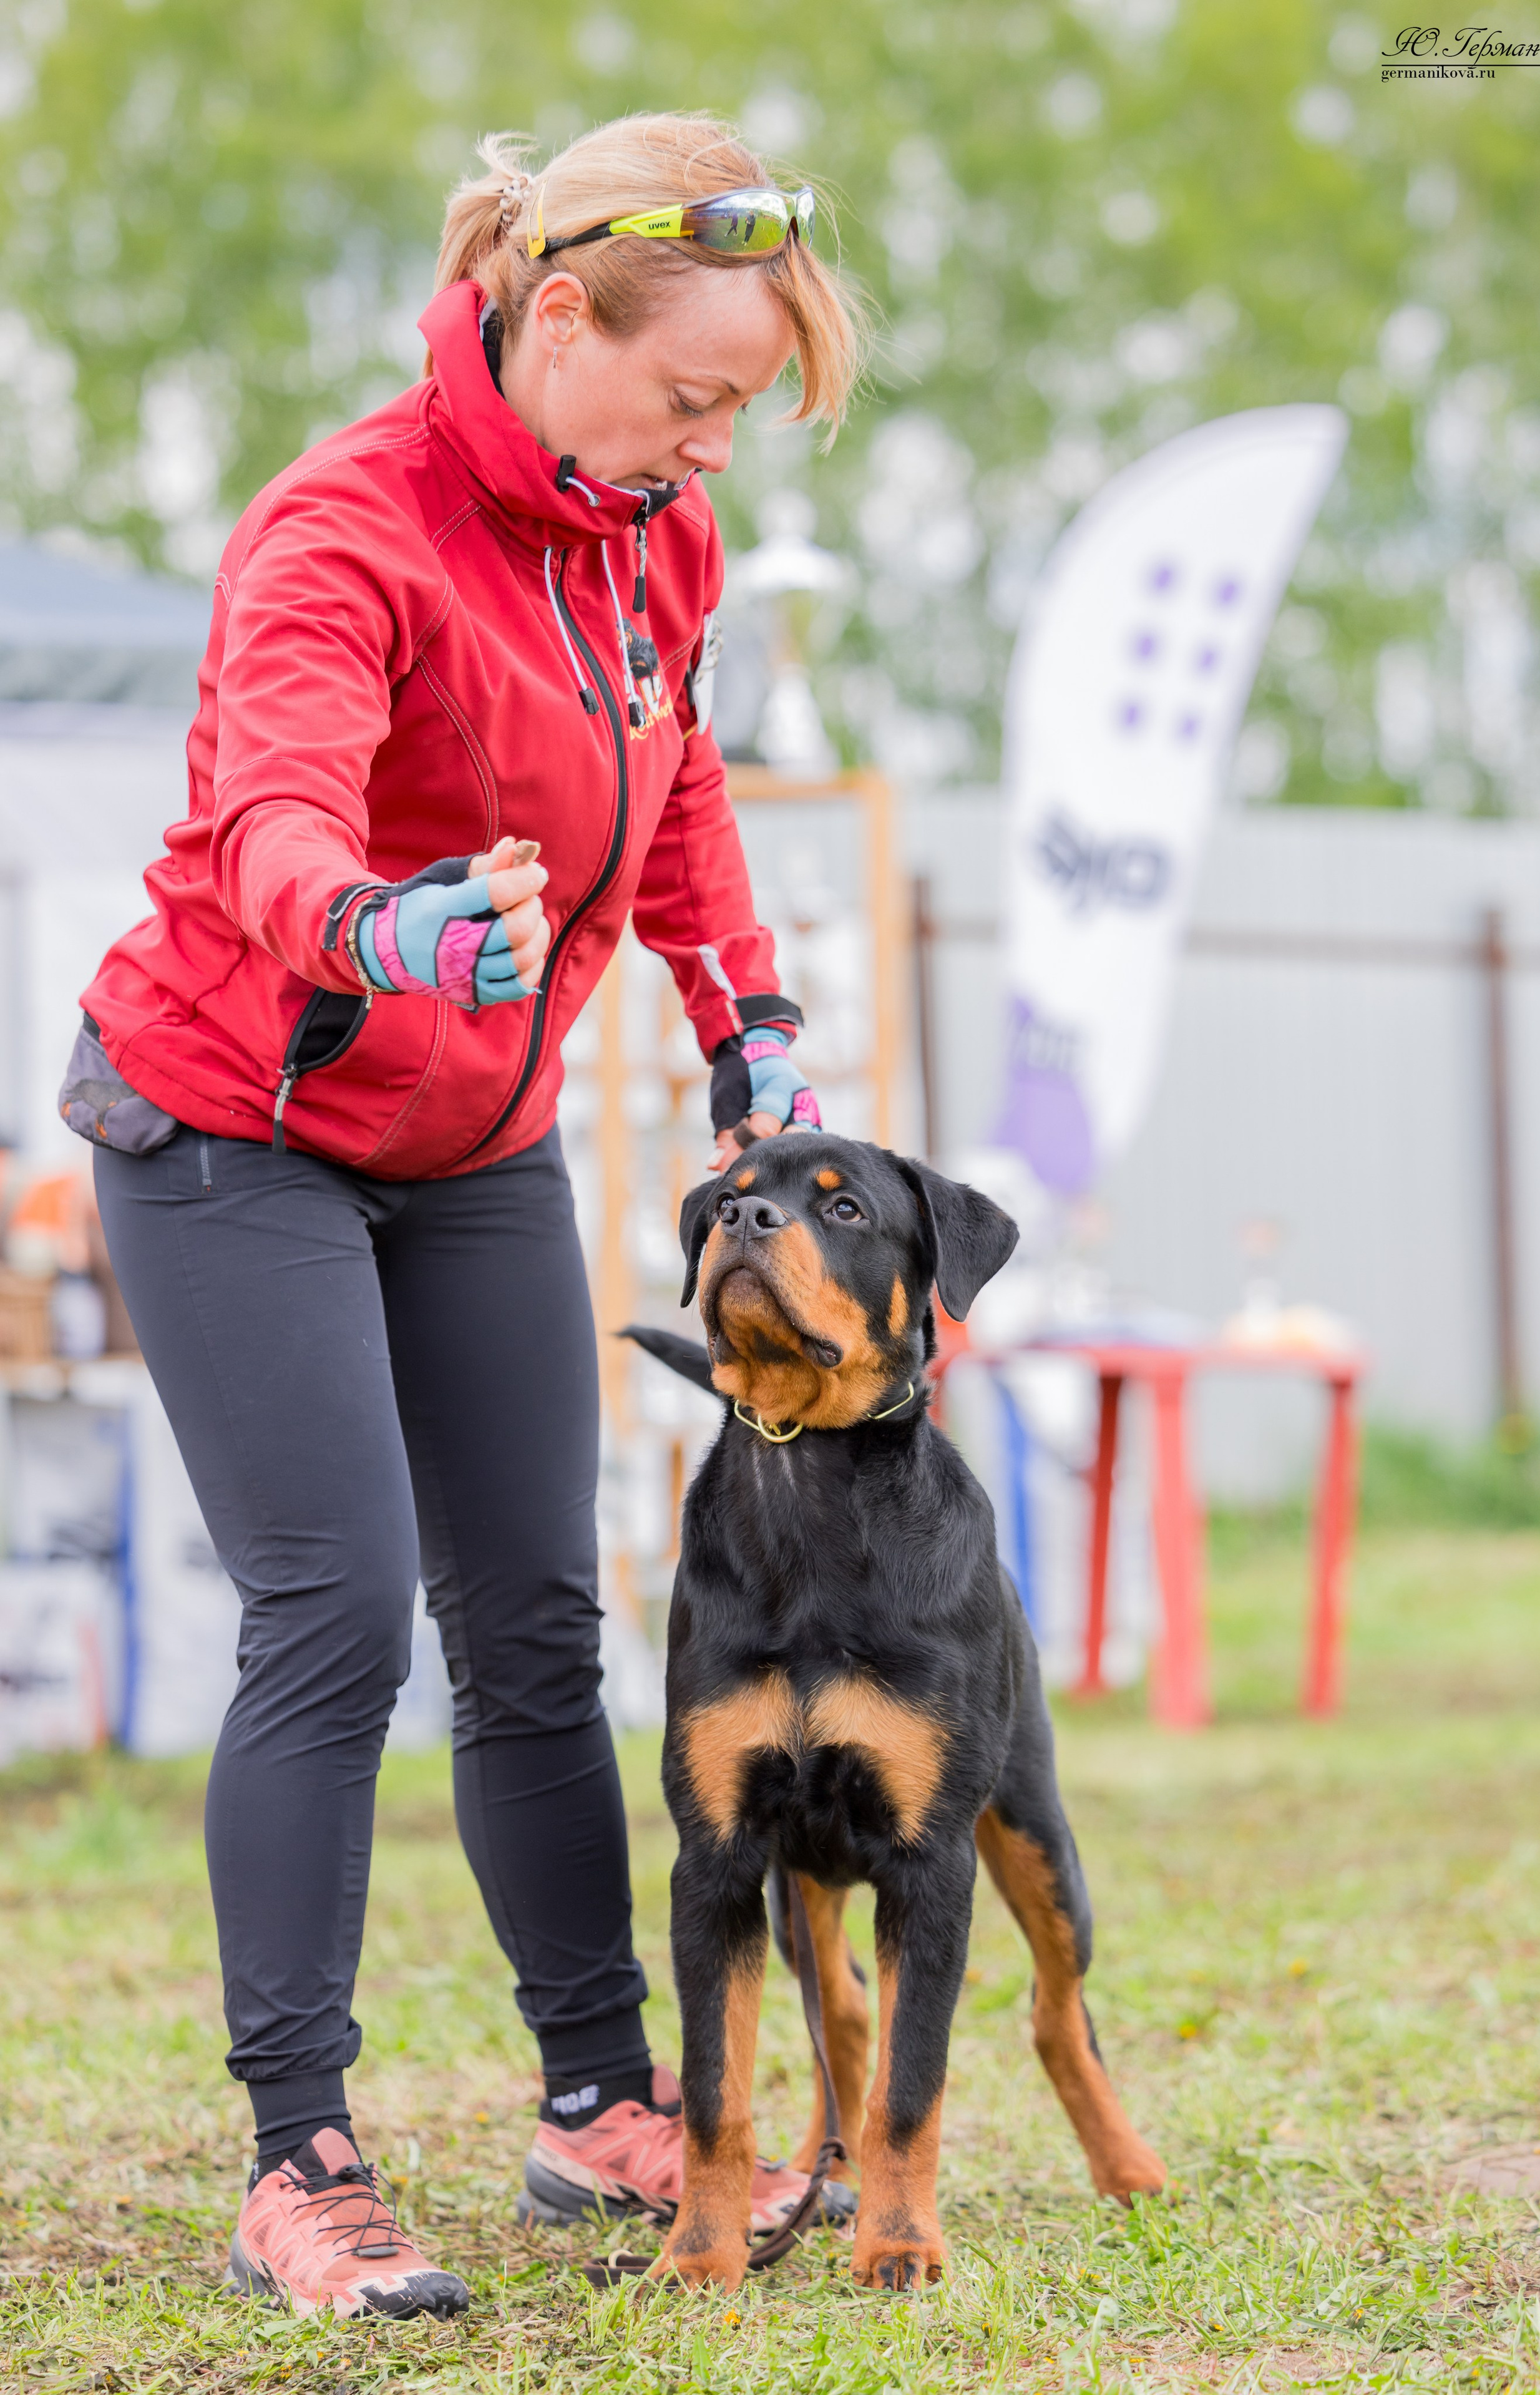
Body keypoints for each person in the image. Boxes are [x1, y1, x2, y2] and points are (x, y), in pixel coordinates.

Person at [67, 112, 862, 2322]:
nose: (711, 447)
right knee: (337, 1617)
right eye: (693, 394)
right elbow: (266, 820)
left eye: (736, 416)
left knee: (533, 1616)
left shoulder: (650, 541)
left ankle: (595, 2109)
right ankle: (296, 2162)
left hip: (468, 1137)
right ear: (552, 316)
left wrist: (749, 1021)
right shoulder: (347, 527)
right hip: (241, 1112)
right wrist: (386, 932)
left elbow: (673, 775)